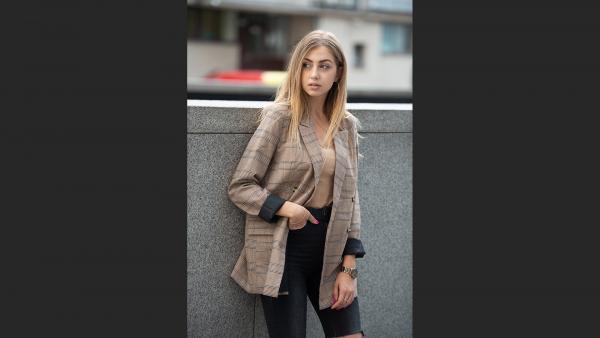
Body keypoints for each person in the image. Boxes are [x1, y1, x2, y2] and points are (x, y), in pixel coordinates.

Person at [227, 30, 366, 338]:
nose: (314, 74)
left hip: (331, 248)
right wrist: (288, 208)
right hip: (284, 248)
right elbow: (241, 185)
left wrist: (349, 268)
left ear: (339, 72)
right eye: (306, 65)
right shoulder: (280, 118)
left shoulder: (346, 126)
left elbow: (351, 198)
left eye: (324, 65)